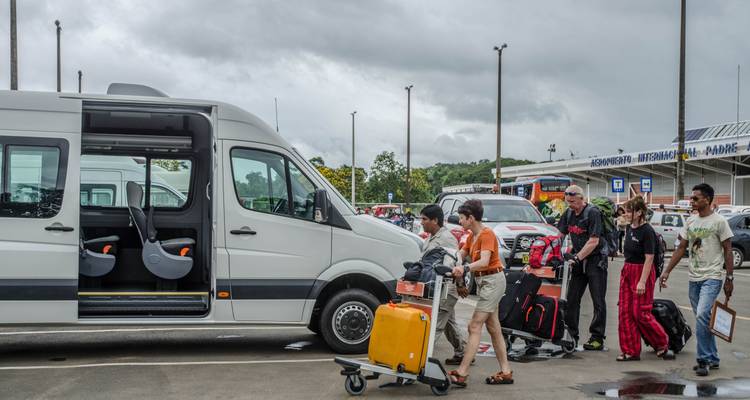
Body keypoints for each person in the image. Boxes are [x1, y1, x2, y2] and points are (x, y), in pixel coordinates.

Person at [660, 183, 735, 377]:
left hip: (712, 277)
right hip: (694, 278)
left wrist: (729, 277)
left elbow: (728, 250)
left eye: (695, 198)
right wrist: (666, 271)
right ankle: (713, 357)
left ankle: (703, 360)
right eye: (691, 198)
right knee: (703, 319)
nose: (691, 201)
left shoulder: (720, 222)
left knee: (702, 315)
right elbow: (680, 248)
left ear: (707, 200)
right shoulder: (690, 222)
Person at [449, 199, 513, 387]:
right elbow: (460, 254)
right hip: (485, 282)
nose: (460, 221)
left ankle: (462, 372)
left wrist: (465, 268)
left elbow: (484, 261)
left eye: (462, 218)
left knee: (474, 326)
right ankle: (506, 371)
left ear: (471, 218)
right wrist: (451, 261)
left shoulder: (487, 234)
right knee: (494, 329)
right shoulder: (471, 236)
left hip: (493, 282)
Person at [617, 196, 674, 361]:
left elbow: (649, 258)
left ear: (639, 212)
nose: (626, 214)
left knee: (640, 313)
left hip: (643, 272)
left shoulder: (647, 231)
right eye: (625, 211)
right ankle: (630, 351)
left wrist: (642, 281)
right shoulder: (629, 228)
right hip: (628, 270)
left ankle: (662, 344)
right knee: (625, 311)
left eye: (629, 211)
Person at [418, 204, 469, 366]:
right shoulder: (430, 238)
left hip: (447, 288)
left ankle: (419, 359)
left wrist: (460, 284)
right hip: (436, 288)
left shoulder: (446, 238)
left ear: (435, 220)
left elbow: (454, 264)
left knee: (435, 325)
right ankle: (463, 353)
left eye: (424, 219)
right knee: (448, 323)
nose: (421, 222)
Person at [558, 185, 608, 351]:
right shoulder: (569, 214)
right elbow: (559, 235)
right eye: (568, 201)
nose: (570, 204)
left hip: (595, 260)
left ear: (581, 198)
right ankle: (572, 335)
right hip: (578, 260)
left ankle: (597, 337)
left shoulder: (592, 213)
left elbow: (594, 241)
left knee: (598, 300)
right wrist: (552, 252)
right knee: (572, 299)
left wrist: (577, 257)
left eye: (573, 201)